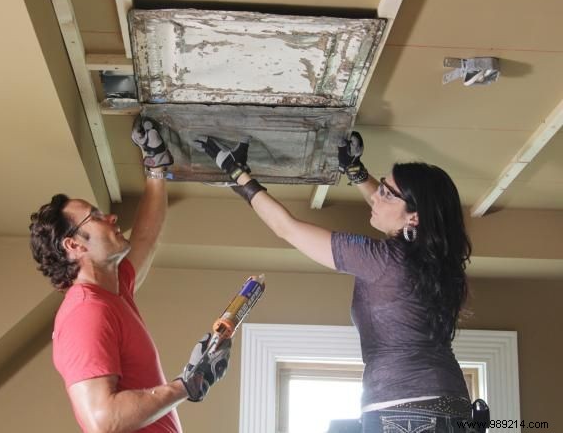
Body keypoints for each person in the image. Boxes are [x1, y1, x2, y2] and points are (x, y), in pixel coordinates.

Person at [193, 133, 476, 432]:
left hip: (406, 413)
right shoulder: (436, 262)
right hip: (451, 406)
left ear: (415, 218)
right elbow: (395, 208)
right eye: (380, 186)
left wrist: (237, 173)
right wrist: (355, 171)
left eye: (386, 193)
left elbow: (286, 228)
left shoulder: (382, 260)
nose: (376, 196)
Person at [29, 116, 231, 433]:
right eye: (94, 217)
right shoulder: (85, 313)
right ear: (73, 245)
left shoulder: (113, 289)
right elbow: (103, 420)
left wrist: (156, 169)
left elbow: (145, 237)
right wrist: (186, 385)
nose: (109, 216)